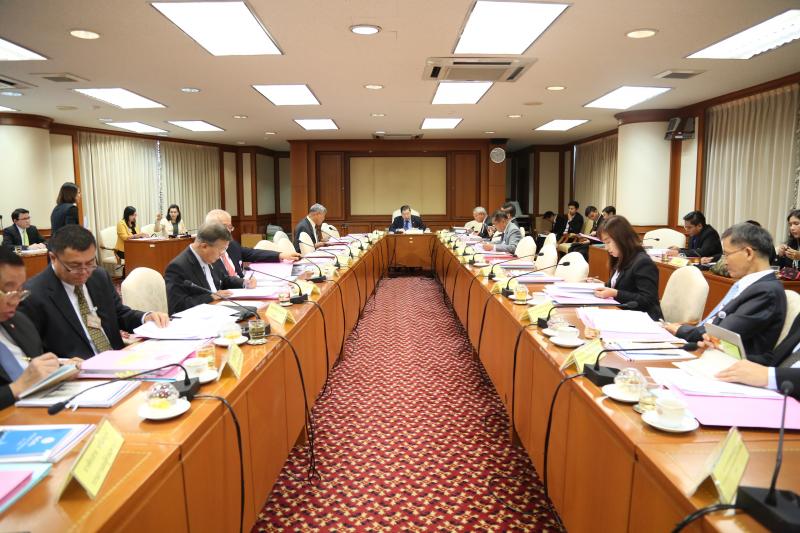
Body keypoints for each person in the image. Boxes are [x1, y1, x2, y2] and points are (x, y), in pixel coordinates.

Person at [20, 225, 170, 358]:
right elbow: (34, 355)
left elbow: (119, 314)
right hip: (78, 372)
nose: (84, 272)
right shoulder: (33, 295)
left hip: (118, 360)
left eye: (90, 263)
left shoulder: (98, 276)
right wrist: (63, 365)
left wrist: (146, 317)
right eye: (75, 266)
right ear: (53, 258)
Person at [663, 223, 787, 361]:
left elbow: (722, 334)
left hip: (731, 363)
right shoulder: (749, 285)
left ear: (748, 253)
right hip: (710, 351)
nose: (724, 262)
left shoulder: (766, 292)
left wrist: (681, 331)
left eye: (727, 255)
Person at [0, 247, 79, 409]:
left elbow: (34, 367)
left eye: (20, 290)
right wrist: (15, 388)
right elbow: (23, 382)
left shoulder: (20, 321)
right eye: (8, 291)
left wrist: (60, 369)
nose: (15, 301)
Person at [164, 223, 254, 315]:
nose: (222, 254)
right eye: (221, 249)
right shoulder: (177, 267)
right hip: (200, 317)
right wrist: (211, 297)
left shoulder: (210, 256)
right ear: (204, 247)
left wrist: (244, 282)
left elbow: (223, 279)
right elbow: (177, 306)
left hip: (221, 309)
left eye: (225, 249)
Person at [592, 215, 663, 320]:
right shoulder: (620, 258)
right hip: (623, 314)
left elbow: (648, 300)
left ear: (621, 238)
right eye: (604, 243)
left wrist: (616, 293)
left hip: (644, 320)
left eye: (608, 242)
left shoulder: (643, 262)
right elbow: (621, 286)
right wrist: (601, 284)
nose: (606, 247)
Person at [205, 209, 299, 277]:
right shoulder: (207, 254)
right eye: (225, 227)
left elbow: (252, 253)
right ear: (211, 228)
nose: (229, 231)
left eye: (230, 227)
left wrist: (280, 255)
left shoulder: (231, 244)